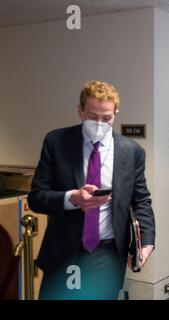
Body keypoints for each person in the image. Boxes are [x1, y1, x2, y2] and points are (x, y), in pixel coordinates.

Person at [28, 80, 155, 299]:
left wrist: (147, 241)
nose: (99, 123)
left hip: (107, 252)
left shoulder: (132, 152)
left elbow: (141, 200)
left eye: (106, 118)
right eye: (92, 116)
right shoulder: (57, 142)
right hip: (65, 250)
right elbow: (37, 197)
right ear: (80, 111)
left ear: (115, 113)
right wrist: (72, 198)